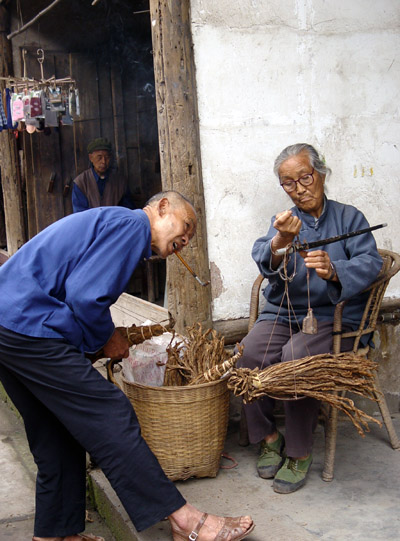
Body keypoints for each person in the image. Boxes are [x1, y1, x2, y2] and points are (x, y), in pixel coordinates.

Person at [0, 190, 254, 541]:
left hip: (8, 325)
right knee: (109, 410)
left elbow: (78, 291)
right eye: (185, 226)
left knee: (55, 430)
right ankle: (184, 519)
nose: (186, 238)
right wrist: (108, 338)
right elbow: (85, 297)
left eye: (190, 236)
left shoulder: (114, 223)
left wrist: (96, 338)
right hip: (28, 324)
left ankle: (54, 536)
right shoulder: (133, 224)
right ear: (162, 207)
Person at [238, 143, 382, 494]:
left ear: (321, 174)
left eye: (305, 177)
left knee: (297, 358)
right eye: (288, 183)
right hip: (285, 313)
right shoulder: (286, 222)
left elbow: (371, 263)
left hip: (334, 320)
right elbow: (262, 253)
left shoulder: (349, 218)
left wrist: (335, 270)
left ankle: (300, 451)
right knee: (249, 355)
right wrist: (281, 241)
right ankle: (268, 436)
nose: (299, 188)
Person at [72, 137, 134, 213]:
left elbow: (128, 211)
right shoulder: (81, 183)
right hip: (91, 224)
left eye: (107, 157)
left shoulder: (120, 182)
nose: (103, 162)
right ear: (91, 158)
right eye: (99, 157)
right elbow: (80, 213)